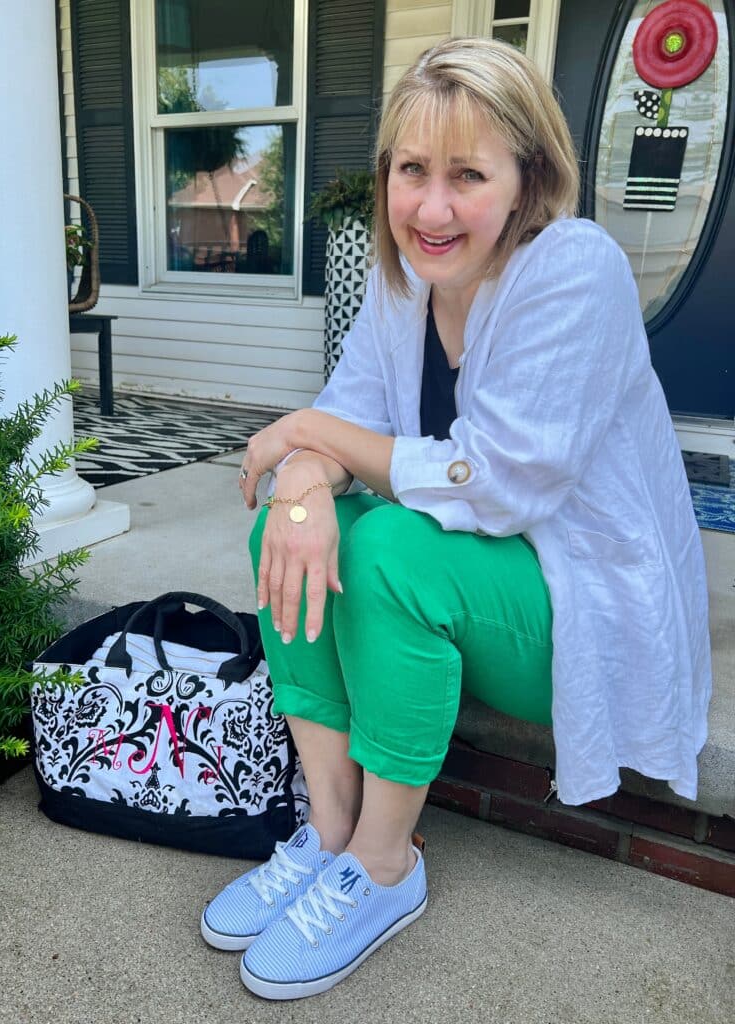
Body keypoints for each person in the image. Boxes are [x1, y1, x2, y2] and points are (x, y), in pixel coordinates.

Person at [200, 37, 712, 1000]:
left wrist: (308, 435)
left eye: (468, 174)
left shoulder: (575, 270)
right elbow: (348, 424)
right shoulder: (403, 283)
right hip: (477, 592)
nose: (431, 208)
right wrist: (306, 480)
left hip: (575, 606)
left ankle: (388, 868)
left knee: (388, 546)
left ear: (527, 181)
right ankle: (331, 836)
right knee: (288, 528)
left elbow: (504, 486)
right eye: (411, 170)